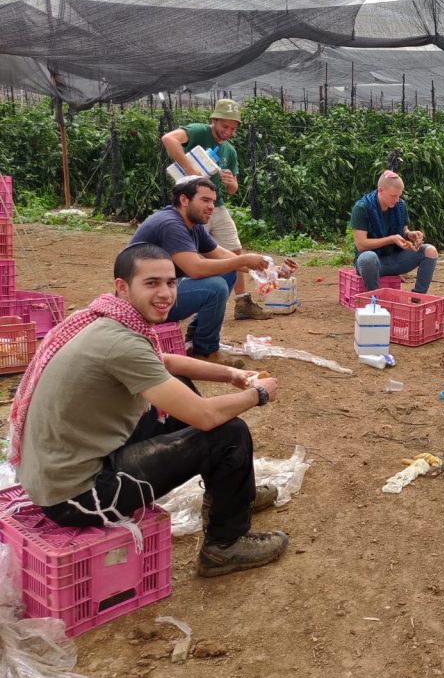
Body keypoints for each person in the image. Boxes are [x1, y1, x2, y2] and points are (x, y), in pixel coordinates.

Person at [8, 243, 288, 577]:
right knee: (228, 433)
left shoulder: (104, 319)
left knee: (177, 387)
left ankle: (232, 496)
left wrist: (231, 374)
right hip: (78, 498)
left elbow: (163, 362)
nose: (165, 293)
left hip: (59, 472)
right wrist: (258, 394)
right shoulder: (121, 342)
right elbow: (205, 415)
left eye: (170, 282)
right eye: (151, 283)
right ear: (122, 286)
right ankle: (225, 546)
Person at [131, 176, 273, 368]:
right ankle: (205, 351)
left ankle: (195, 337)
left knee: (228, 273)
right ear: (184, 199)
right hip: (143, 300)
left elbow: (220, 255)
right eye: (205, 200)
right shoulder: (170, 224)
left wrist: (266, 268)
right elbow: (195, 269)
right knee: (215, 287)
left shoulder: (192, 223)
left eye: (213, 201)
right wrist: (242, 260)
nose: (211, 206)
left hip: (160, 290)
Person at [162, 98, 250, 297]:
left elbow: (233, 189)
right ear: (214, 120)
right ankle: (182, 297)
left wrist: (230, 182)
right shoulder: (198, 131)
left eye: (233, 128)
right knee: (191, 254)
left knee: (234, 250)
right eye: (225, 126)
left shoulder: (230, 150)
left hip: (216, 205)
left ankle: (242, 300)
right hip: (191, 206)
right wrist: (191, 171)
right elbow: (169, 139)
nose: (228, 132)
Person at [350, 170, 438, 294]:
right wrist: (392, 239)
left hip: (395, 259)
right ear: (380, 190)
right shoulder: (362, 208)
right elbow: (361, 244)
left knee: (430, 251)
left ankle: (418, 297)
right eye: (393, 196)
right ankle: (374, 298)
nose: (397, 200)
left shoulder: (400, 206)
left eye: (399, 196)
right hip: (372, 264)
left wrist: (409, 234)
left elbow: (404, 229)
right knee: (367, 258)